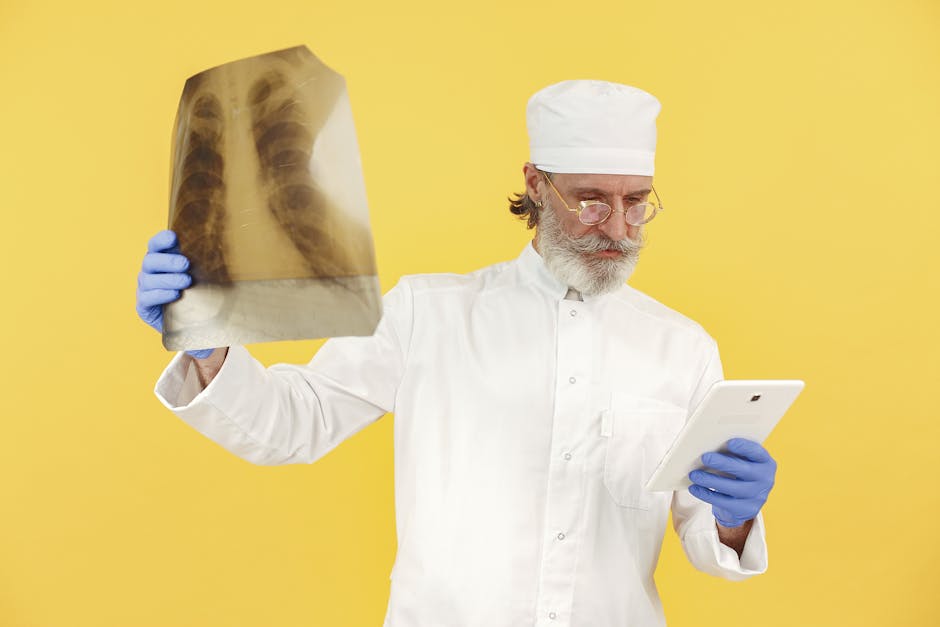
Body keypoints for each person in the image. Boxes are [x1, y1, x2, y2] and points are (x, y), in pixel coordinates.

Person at [136, 80, 777, 627]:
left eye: (636, 203)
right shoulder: (427, 314)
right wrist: (211, 345)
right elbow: (292, 425)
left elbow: (705, 540)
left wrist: (732, 520)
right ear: (535, 183)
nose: (615, 228)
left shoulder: (683, 348)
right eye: (591, 200)